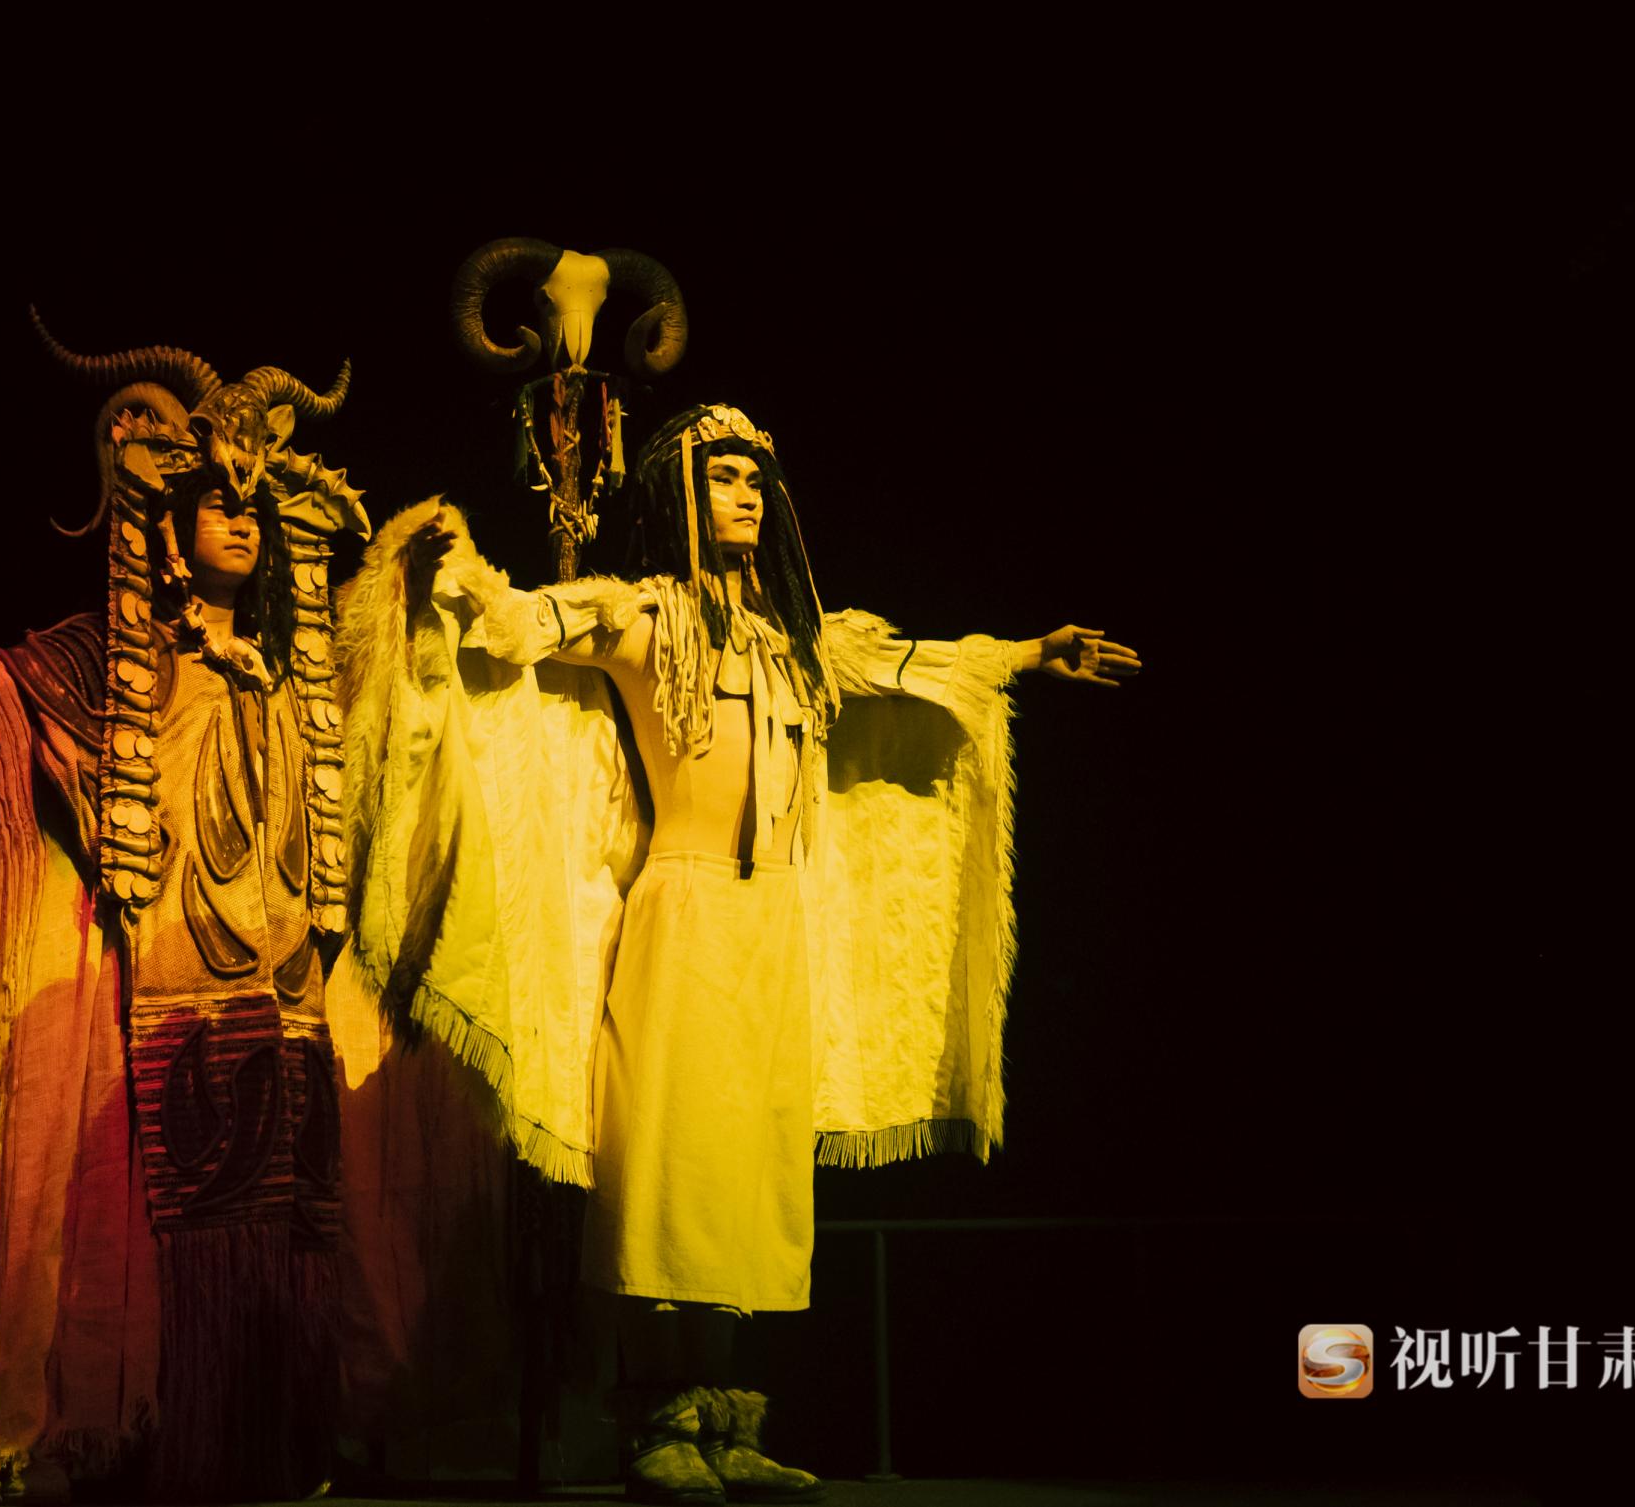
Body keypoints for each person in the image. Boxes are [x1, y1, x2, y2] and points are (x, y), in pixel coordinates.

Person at [336, 402, 1137, 1504]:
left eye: (757, 478)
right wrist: (458, 568)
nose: (748, 495)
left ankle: (723, 1416)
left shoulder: (799, 641)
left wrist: (1031, 654)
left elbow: (915, 662)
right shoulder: (643, 617)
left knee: (747, 1171)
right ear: (679, 494)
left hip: (776, 923)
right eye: (723, 477)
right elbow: (520, 626)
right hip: (686, 910)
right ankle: (654, 1421)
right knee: (671, 1166)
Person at [0, 338, 365, 1504]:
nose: (240, 521)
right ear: (165, 521)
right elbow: (0, 697)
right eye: (215, 501)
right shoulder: (112, 663)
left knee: (288, 1210)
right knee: (168, 1205)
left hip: (282, 980)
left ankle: (274, 1433)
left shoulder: (285, 672)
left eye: (254, 507)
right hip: (165, 973)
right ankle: (167, 1431)